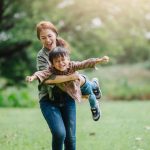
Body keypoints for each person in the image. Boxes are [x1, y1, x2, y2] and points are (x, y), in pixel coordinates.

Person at [28, 21, 102, 150]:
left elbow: (75, 65)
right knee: (59, 133)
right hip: (49, 100)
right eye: (43, 38)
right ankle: (92, 86)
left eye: (50, 36)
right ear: (39, 39)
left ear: (55, 34)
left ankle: (92, 87)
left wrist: (94, 62)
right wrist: (71, 77)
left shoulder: (62, 49)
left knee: (70, 138)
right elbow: (47, 78)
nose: (47, 40)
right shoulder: (41, 56)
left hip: (67, 97)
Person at [26, 46, 109, 121]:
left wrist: (99, 60)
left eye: (63, 60)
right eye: (57, 61)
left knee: (91, 96)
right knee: (89, 92)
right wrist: (32, 77)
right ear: (53, 64)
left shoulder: (72, 65)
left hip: (83, 85)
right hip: (73, 89)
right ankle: (94, 83)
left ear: (68, 59)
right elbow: (41, 73)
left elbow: (84, 63)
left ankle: (95, 108)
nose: (61, 63)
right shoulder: (51, 70)